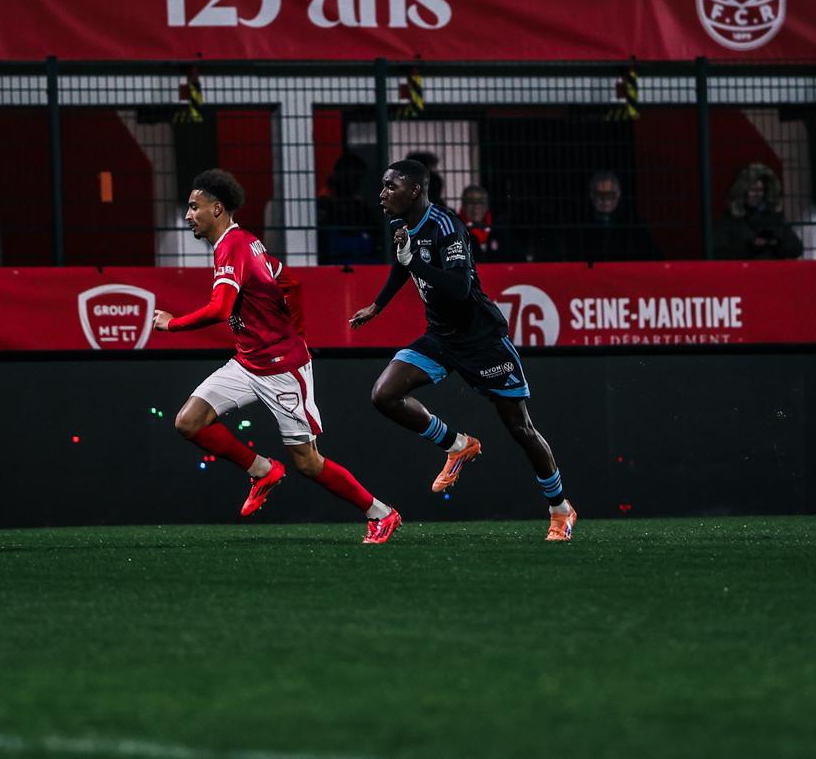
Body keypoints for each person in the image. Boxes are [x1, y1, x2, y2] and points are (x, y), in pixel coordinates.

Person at [152, 170, 402, 544]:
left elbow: (221, 308)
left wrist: (172, 324)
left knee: (307, 462)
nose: (188, 215)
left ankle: (381, 513)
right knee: (189, 422)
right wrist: (293, 329)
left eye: (193, 206)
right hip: (247, 361)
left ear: (216, 209)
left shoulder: (233, 246)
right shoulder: (246, 243)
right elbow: (289, 281)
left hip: (281, 369)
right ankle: (262, 470)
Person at [349, 159, 577, 541]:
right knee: (384, 395)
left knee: (520, 428)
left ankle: (561, 509)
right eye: (383, 185)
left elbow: (456, 288)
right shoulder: (399, 222)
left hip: (481, 341)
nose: (382, 193)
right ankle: (458, 445)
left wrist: (415, 263)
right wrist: (378, 305)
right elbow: (403, 265)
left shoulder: (448, 227)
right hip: (441, 337)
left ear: (416, 190)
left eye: (391, 186)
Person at [713, 164, 804, 260]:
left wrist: (777, 244)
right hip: (744, 271)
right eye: (753, 190)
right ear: (743, 191)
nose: (757, 195)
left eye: (760, 190)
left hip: (772, 271)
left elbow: (796, 248)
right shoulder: (731, 218)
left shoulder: (774, 216)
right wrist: (749, 246)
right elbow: (718, 251)